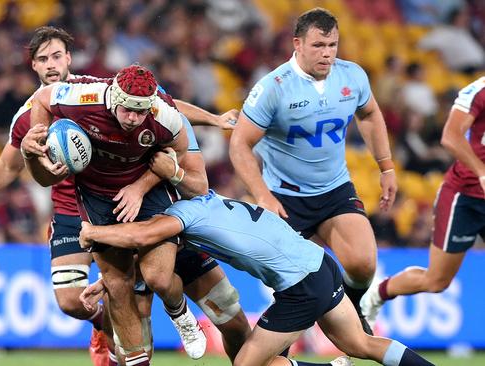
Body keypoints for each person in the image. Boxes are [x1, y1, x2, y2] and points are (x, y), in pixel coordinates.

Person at [0, 26, 245, 365]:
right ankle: (105, 328)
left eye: (57, 56)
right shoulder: (29, 116)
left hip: (144, 197)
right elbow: (7, 167)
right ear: (34, 67)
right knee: (76, 301)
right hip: (77, 210)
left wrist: (213, 119)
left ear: (68, 58)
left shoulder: (98, 91)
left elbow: (163, 106)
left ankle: (144, 331)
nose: (52, 64)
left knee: (143, 297)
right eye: (43, 59)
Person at [78, 191, 434, 366]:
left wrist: (94, 231)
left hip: (301, 286)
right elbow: (153, 250)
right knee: (361, 345)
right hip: (322, 265)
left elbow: (142, 236)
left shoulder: (181, 214)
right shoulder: (212, 201)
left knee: (248, 365)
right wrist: (109, 278)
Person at [21, 64, 215, 365]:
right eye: (127, 110)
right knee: (117, 285)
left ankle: (180, 313)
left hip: (148, 191)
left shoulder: (165, 116)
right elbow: (44, 97)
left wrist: (139, 188)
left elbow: (178, 156)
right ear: (114, 97)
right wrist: (40, 136)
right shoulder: (84, 99)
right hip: (98, 197)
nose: (134, 119)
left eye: (140, 112)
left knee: (159, 278)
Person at [228, 7, 397, 335]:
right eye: (319, 45)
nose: (327, 53)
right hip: (285, 198)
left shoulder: (352, 76)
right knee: (294, 288)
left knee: (363, 265)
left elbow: (371, 114)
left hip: (334, 190)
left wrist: (386, 166)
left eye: (333, 45)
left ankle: (354, 307)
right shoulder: (274, 87)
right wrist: (262, 194)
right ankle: (281, 346)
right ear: (298, 44)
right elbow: (239, 145)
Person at [361, 77, 485, 325]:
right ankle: (379, 292)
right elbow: (450, 137)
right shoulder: (479, 91)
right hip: (465, 196)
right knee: (436, 281)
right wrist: (481, 172)